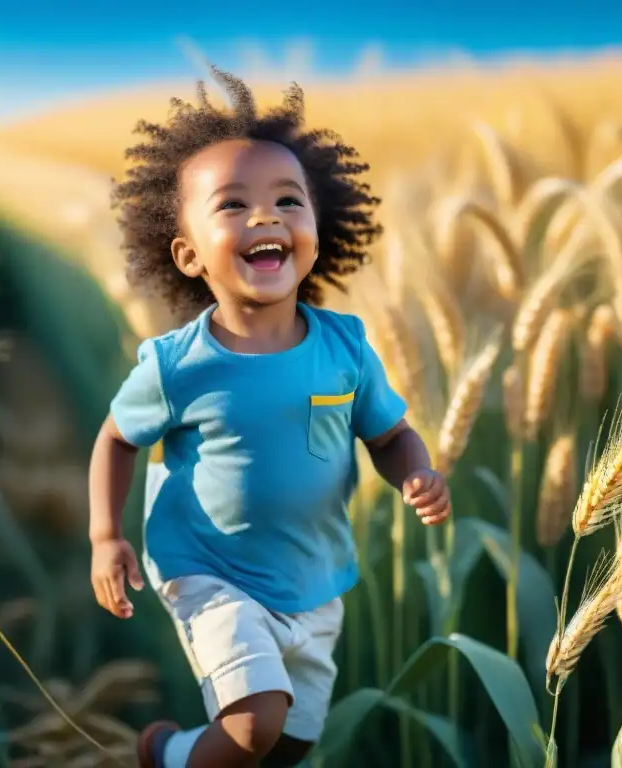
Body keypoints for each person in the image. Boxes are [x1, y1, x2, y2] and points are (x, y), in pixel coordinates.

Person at [88, 67, 451, 768]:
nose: (267, 217)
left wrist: (418, 472)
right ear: (188, 255)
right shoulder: (177, 365)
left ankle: (186, 750)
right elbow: (116, 438)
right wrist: (106, 535)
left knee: (289, 743)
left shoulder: (345, 346)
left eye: (289, 200)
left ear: (319, 227)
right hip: (209, 567)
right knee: (255, 724)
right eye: (233, 205)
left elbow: (390, 434)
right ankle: (166, 756)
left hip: (314, 576)